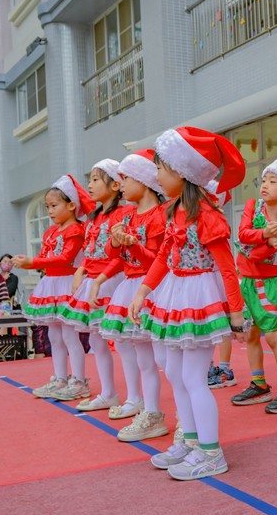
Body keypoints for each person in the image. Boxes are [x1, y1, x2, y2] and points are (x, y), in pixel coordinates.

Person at [129, 126, 247, 480]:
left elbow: (228, 269)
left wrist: (236, 316)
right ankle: (191, 442)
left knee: (194, 378)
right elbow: (164, 257)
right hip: (176, 294)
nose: (156, 176)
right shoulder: (174, 211)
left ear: (182, 171)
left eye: (161, 169)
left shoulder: (208, 215)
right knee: (177, 375)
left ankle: (211, 453)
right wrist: (142, 291)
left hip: (199, 297)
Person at [97, 149, 169, 440]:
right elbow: (110, 253)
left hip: (155, 288)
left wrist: (132, 244)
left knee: (165, 358)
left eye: (126, 178)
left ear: (144, 180)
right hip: (131, 287)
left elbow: (157, 261)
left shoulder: (159, 216)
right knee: (143, 356)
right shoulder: (126, 215)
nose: (121, 184)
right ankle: (149, 411)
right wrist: (117, 241)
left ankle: (182, 417)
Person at [230, 156, 277, 414]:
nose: (264, 184)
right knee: (251, 335)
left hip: (267, 284)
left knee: (273, 336)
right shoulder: (253, 206)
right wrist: (264, 235)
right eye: (264, 180)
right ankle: (259, 383)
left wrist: (260, 244)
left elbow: (253, 254)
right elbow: (242, 235)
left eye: (273, 181)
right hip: (245, 280)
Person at [12, 175, 94, 399]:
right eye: (47, 206)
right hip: (51, 285)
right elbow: (45, 257)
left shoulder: (76, 230)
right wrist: (31, 261)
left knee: (70, 336)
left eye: (54, 205)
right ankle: (60, 378)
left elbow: (65, 258)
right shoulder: (50, 232)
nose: (50, 211)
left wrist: (32, 262)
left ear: (71, 205)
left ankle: (79, 380)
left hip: (67, 284)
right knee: (54, 337)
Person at [60, 159, 127, 410]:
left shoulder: (123, 214)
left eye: (96, 179)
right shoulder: (93, 218)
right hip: (94, 282)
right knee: (97, 341)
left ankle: (137, 398)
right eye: (89, 180)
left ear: (115, 185)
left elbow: (121, 255)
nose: (89, 185)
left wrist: (97, 277)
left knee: (124, 341)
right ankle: (109, 392)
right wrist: (81, 270)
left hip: (113, 281)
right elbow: (89, 251)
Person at [202, 182, 237, 389]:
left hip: (216, 276)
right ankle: (207, 367)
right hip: (204, 278)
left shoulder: (215, 218)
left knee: (221, 326)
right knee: (206, 326)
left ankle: (224, 369)